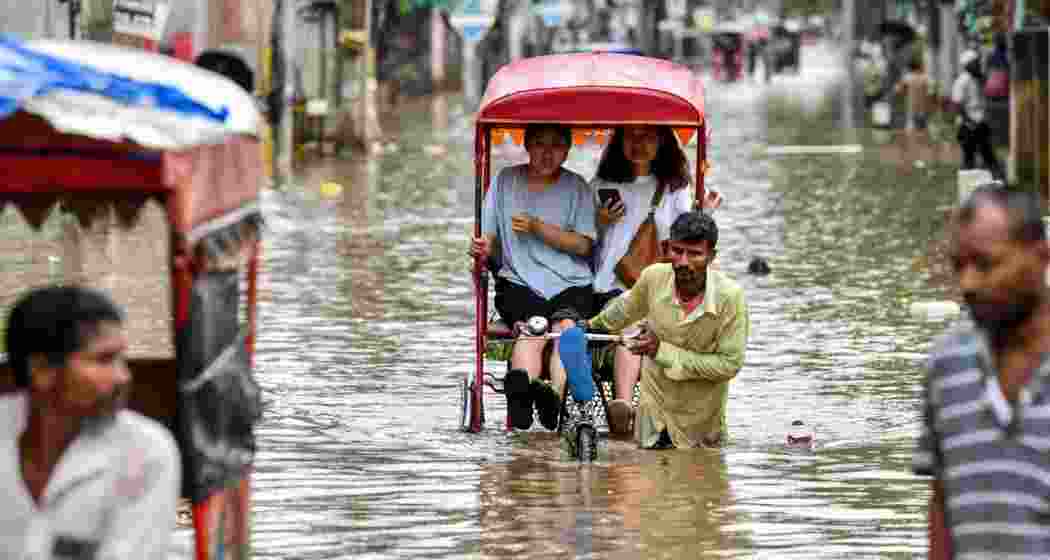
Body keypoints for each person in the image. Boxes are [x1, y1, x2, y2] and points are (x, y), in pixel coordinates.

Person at [914, 186, 1050, 559]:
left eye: (986, 264)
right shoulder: (946, 365)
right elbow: (943, 503)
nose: (968, 284)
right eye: (960, 266)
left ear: (1041, 257)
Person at [0, 286, 181, 559]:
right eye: (104, 360)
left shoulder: (146, 452)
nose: (123, 376)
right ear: (41, 370)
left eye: (122, 358)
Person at [589, 125, 722, 435]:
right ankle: (623, 404)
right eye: (632, 136)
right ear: (619, 141)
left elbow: (687, 237)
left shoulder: (675, 188)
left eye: (648, 136)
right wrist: (600, 220)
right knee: (630, 324)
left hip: (657, 284)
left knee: (638, 324)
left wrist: (706, 213)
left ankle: (633, 407)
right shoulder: (599, 185)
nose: (640, 144)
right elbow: (584, 239)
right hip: (609, 284)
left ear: (662, 141)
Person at [584, 211, 750, 449]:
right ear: (667, 248)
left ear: (711, 256)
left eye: (695, 254)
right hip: (653, 418)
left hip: (701, 425)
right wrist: (589, 327)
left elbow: (729, 365)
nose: (683, 261)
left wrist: (661, 350)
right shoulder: (654, 278)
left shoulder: (730, 298)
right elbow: (624, 311)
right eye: (677, 251)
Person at [470, 123, 597, 431]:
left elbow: (584, 245)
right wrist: (481, 248)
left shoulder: (577, 186)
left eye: (556, 145)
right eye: (540, 143)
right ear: (527, 145)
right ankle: (523, 392)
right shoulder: (505, 181)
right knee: (533, 330)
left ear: (567, 150)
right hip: (520, 281)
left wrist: (539, 228)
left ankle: (554, 396)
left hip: (570, 283)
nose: (547, 152)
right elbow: (489, 238)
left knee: (564, 330)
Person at [952, 49, 1004, 179]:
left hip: (981, 122)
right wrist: (969, 121)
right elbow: (957, 105)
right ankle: (968, 185)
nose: (978, 65)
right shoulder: (962, 81)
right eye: (974, 63)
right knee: (969, 157)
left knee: (988, 155)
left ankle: (996, 181)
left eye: (978, 62)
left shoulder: (979, 78)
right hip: (968, 125)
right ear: (967, 65)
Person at [893, 55, 934, 131]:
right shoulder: (926, 78)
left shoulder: (907, 77)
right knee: (924, 132)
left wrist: (904, 93)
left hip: (911, 109)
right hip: (924, 109)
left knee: (911, 132)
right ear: (920, 66)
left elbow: (897, 90)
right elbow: (931, 93)